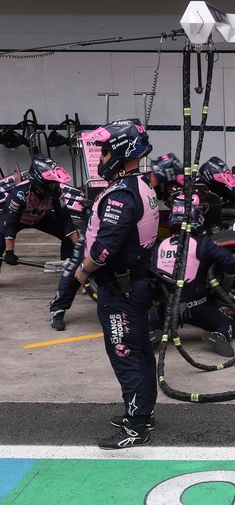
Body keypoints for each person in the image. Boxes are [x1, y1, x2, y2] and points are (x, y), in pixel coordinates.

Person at [73, 119, 159, 450]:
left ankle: (136, 426)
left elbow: (102, 249)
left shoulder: (121, 195)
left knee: (125, 353)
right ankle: (143, 412)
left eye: (106, 150)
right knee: (139, 352)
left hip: (120, 291)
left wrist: (83, 270)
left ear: (120, 153)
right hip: (135, 284)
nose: (101, 157)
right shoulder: (143, 185)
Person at [152, 195, 235, 356]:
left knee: (149, 317)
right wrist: (225, 285)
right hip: (197, 306)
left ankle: (151, 331)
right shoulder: (201, 244)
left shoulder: (159, 246)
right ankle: (219, 335)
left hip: (167, 308)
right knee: (228, 324)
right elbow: (230, 262)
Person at [1, 155, 79, 266]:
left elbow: (65, 219)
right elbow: (10, 224)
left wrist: (79, 248)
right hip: (17, 219)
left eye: (56, 184)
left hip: (41, 217)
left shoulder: (56, 193)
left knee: (68, 236)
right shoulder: (19, 194)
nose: (55, 187)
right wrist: (9, 251)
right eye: (51, 184)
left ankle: (67, 268)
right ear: (39, 181)